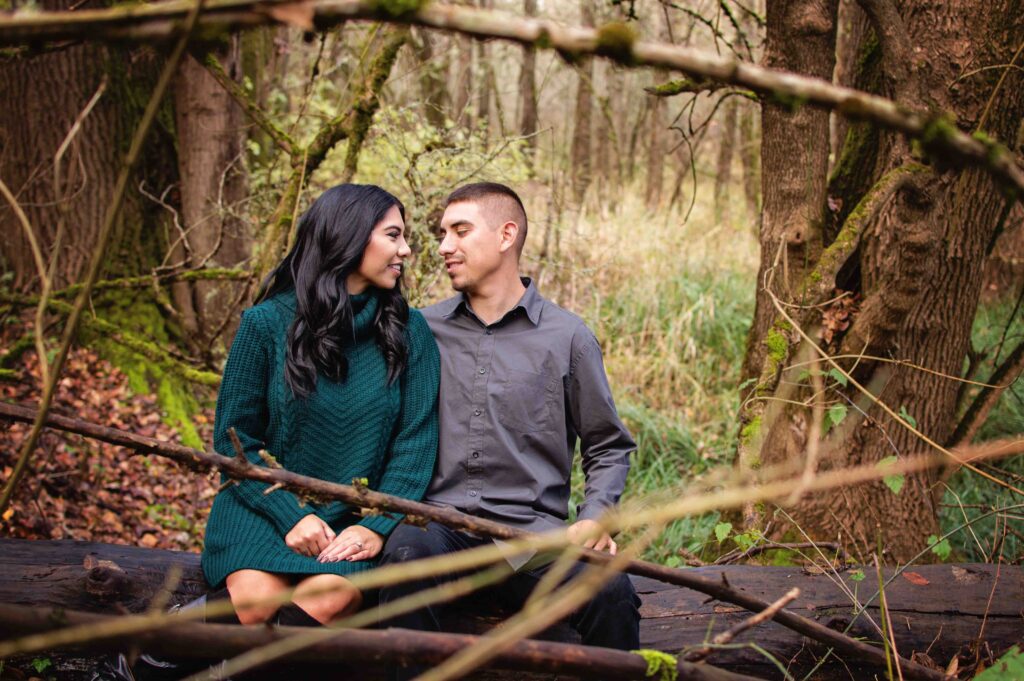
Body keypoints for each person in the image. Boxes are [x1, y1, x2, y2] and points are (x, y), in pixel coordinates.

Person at [378, 182, 640, 670]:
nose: (443, 246)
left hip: (532, 536)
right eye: (441, 233)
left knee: (611, 591)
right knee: (401, 563)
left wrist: (596, 512)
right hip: (439, 527)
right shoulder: (422, 329)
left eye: (460, 231)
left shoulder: (568, 337)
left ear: (506, 235)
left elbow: (607, 445)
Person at [198, 182, 440, 628]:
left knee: (325, 601)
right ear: (348, 236)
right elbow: (234, 444)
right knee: (255, 603)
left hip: (348, 526)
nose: (406, 249)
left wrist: (376, 525)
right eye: (393, 235)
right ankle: (140, 662)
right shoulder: (265, 324)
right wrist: (291, 515)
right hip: (262, 510)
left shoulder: (411, 332)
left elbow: (415, 449)